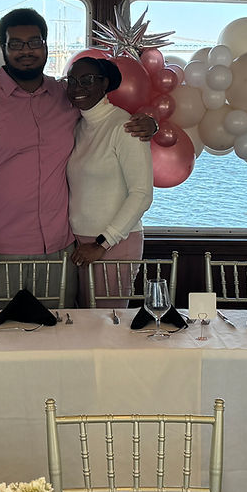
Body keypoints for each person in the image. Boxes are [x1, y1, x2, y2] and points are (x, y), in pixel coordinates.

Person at [0, 8, 154, 307]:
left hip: (60, 253)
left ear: (45, 45)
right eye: (15, 44)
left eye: (34, 41)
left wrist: (150, 124)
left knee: (58, 342)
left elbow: (105, 113)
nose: (26, 50)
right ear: (3, 48)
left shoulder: (65, 96)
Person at [66, 58, 153, 308]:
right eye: (71, 81)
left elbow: (142, 194)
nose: (77, 87)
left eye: (87, 80)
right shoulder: (78, 126)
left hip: (114, 242)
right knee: (84, 328)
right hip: (80, 244)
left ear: (105, 83)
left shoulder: (126, 126)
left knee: (108, 329)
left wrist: (102, 243)